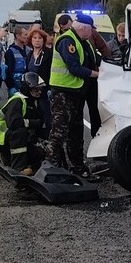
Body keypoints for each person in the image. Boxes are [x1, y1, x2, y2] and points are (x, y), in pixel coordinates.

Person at [46, 15, 98, 173]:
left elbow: (92, 61)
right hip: (63, 94)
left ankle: (77, 167)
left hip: (76, 94)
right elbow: (74, 67)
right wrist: (97, 74)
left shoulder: (83, 42)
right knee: (58, 133)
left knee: (76, 133)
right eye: (91, 30)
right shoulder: (67, 41)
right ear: (83, 28)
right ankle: (51, 168)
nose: (92, 33)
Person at [0, 72, 47, 173]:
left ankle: (7, 157)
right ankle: (18, 168)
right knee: (19, 132)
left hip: (9, 139)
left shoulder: (30, 102)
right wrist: (34, 123)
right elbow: (14, 124)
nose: (39, 92)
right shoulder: (17, 101)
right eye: (36, 89)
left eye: (40, 89)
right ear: (27, 88)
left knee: (39, 154)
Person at [3, 25, 30, 96]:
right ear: (17, 36)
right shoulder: (10, 52)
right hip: (15, 87)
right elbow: (8, 72)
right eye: (25, 34)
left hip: (28, 86)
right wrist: (11, 87)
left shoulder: (28, 50)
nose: (27, 36)